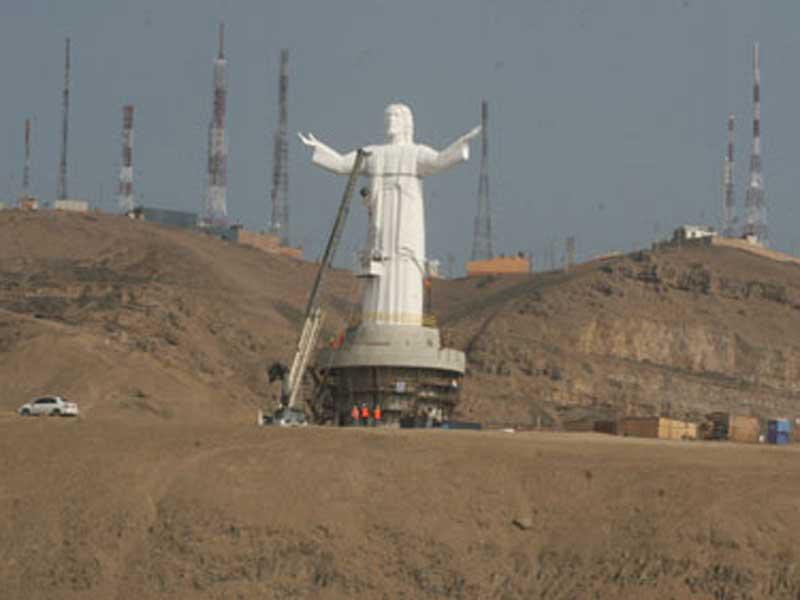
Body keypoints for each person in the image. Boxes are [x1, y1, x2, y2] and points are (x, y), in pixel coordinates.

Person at [298, 104, 480, 327]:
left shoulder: (416, 152)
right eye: (387, 116)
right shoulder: (374, 153)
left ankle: (406, 322)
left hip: (407, 218)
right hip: (380, 219)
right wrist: (319, 147)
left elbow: (439, 160)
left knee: (406, 262)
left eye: (394, 116)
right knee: (378, 262)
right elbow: (343, 164)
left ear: (406, 122)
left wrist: (462, 143)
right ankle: (375, 321)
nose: (389, 120)